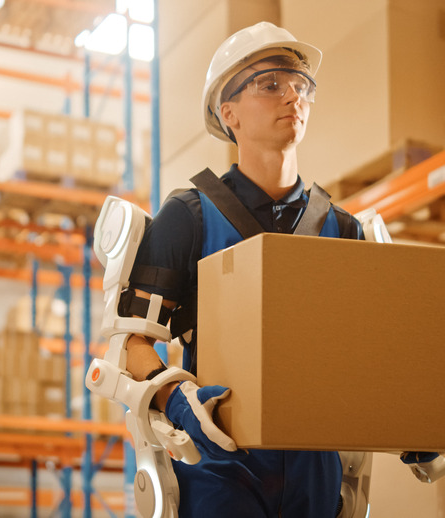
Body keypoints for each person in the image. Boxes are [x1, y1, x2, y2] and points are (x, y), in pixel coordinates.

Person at [118, 21, 366, 517]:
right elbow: (130, 343)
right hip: (222, 459)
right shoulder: (188, 218)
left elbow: (369, 345)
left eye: (301, 87)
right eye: (270, 84)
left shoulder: (343, 229)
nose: (291, 97)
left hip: (316, 462)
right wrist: (178, 400)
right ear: (227, 112)